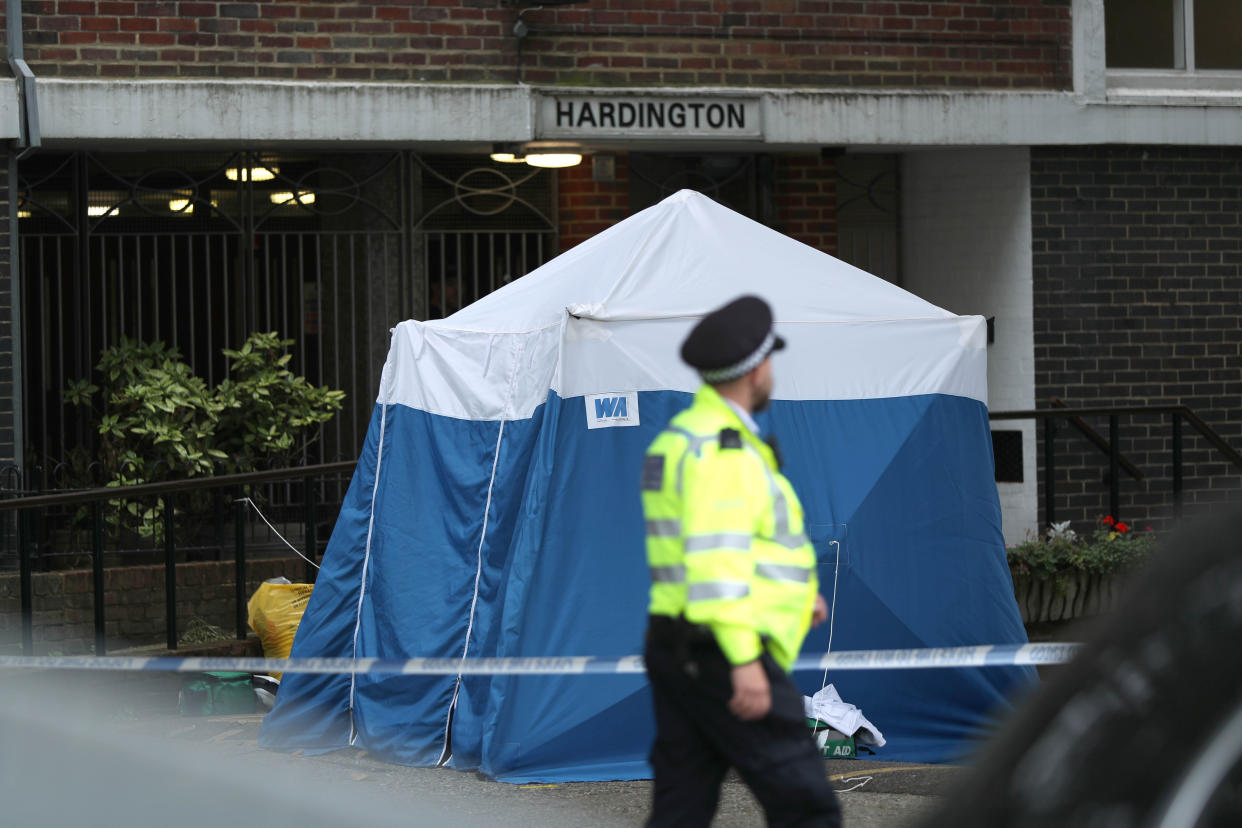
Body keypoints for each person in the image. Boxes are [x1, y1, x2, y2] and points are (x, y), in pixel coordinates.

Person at [641, 295, 842, 827]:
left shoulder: (677, 441)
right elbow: (715, 559)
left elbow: (713, 551)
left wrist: (799, 595)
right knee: (808, 807)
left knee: (682, 807)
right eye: (770, 359)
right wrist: (744, 661)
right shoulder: (726, 452)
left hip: (675, 641)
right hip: (723, 649)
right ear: (754, 371)